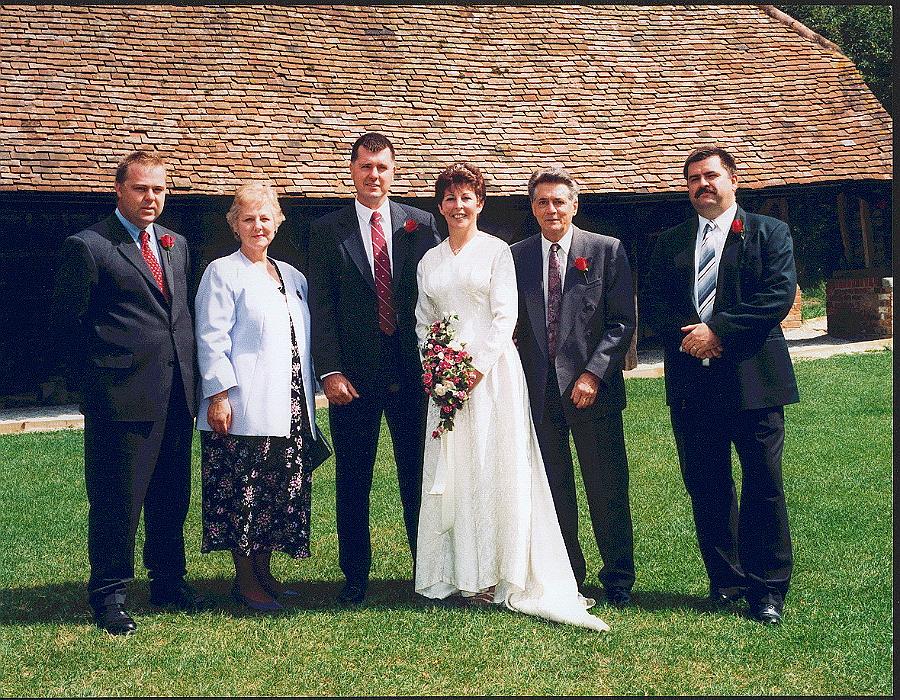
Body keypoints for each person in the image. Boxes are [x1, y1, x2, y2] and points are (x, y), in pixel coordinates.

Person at [414, 162, 609, 632]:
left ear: (480, 203)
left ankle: (501, 572)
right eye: (449, 198)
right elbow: (424, 319)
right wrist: (438, 367)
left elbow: (506, 318)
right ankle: (463, 573)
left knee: (495, 465)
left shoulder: (497, 252)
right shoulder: (429, 260)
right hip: (447, 385)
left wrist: (472, 370)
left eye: (467, 197)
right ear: (439, 206)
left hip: (493, 375)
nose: (458, 206)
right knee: (458, 469)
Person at [50, 150, 207, 635]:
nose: (151, 198)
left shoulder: (175, 244)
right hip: (120, 398)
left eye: (159, 189)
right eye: (141, 188)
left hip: (176, 393)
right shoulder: (90, 246)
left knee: (171, 496)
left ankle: (168, 581)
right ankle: (109, 594)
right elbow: (64, 328)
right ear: (118, 190)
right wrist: (96, 387)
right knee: (118, 501)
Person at [644, 146, 799, 624]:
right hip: (693, 386)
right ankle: (726, 582)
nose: (702, 185)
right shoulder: (669, 241)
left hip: (754, 381)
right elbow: (652, 304)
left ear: (733, 180)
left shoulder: (768, 233)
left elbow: (777, 295)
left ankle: (767, 589)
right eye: (693, 179)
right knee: (707, 487)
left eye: (711, 176)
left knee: (763, 486)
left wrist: (720, 331)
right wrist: (692, 336)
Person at [307, 132, 442, 606]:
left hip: (413, 375)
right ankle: (355, 576)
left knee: (418, 476)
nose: (374, 176)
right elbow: (320, 308)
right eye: (365, 167)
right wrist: (329, 371)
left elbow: (437, 294)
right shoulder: (328, 230)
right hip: (353, 380)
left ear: (393, 171)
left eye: (382, 167)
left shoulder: (421, 224)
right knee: (354, 478)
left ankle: (425, 571)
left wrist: (441, 363)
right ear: (352, 170)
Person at [195, 183, 329, 611]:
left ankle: (266, 572)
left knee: (280, 492)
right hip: (243, 408)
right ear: (235, 224)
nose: (258, 226)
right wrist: (218, 395)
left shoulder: (293, 277)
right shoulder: (222, 272)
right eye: (249, 218)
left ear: (277, 223)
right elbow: (210, 337)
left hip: (290, 406)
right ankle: (245, 580)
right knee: (244, 494)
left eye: (265, 218)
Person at [510, 166, 636, 606]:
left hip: (592, 391)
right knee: (555, 489)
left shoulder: (605, 251)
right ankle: (569, 574)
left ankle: (618, 576)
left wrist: (593, 374)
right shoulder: (516, 256)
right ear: (533, 207)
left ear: (574, 205)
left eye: (559, 201)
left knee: (606, 487)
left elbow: (622, 322)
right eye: (542, 202)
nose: (551, 209)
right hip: (539, 393)